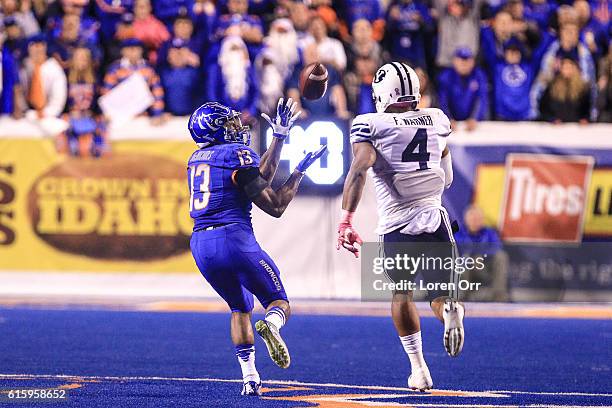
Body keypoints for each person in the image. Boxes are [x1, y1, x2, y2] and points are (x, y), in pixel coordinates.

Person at [336, 62, 465, 391]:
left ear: (382, 92)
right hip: (436, 219)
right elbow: (447, 178)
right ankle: (449, 310)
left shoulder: (370, 124)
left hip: (398, 223)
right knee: (439, 295)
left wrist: (346, 219)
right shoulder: (436, 119)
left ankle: (419, 368)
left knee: (401, 294)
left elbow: (360, 168)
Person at [187, 98, 326, 396]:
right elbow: (275, 206)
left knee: (239, 307)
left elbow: (256, 177)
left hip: (201, 245)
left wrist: (278, 139)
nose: (236, 127)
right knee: (279, 303)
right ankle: (272, 326)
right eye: (228, 123)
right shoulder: (235, 155)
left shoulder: (197, 159)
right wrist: (299, 172)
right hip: (233, 240)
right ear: (215, 130)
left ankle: (250, 378)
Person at [102, 38, 165, 124]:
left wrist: (157, 114)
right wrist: (108, 113)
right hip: (120, 115)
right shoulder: (115, 69)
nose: (132, 51)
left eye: (136, 48)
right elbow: (106, 92)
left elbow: (157, 92)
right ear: (122, 51)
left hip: (143, 116)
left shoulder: (149, 69)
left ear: (141, 50)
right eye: (128, 48)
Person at [454, 205, 509, 301]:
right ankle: (462, 295)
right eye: (472, 218)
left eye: (477, 218)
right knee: (465, 258)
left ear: (482, 220)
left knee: (501, 256)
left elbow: (496, 248)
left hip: (485, 266)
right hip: (466, 270)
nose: (475, 221)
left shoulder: (490, 233)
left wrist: (477, 252)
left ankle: (499, 294)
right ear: (466, 219)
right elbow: (457, 251)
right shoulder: (458, 233)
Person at [207, 35, 258, 121]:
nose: (235, 53)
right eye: (232, 49)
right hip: (222, 116)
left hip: (244, 117)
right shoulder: (216, 69)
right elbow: (212, 92)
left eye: (238, 49)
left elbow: (255, 90)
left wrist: (249, 111)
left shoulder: (248, 69)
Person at [437, 47, 489, 130]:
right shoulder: (445, 76)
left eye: (468, 60)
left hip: (472, 123)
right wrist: (447, 119)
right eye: (461, 60)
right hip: (453, 122)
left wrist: (475, 118)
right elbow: (442, 100)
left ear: (473, 62)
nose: (464, 64)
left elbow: (482, 98)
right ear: (454, 61)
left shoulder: (479, 75)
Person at [20, 34, 67, 119]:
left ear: (45, 48)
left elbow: (58, 101)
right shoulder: (24, 67)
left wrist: (43, 114)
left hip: (49, 115)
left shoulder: (54, 69)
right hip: (25, 115)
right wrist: (25, 113)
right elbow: (18, 93)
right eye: (34, 46)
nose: (37, 49)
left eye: (40, 46)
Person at [492, 38, 535, 120]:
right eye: (510, 52)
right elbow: (488, 44)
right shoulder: (498, 67)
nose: (513, 55)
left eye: (516, 52)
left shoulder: (528, 68)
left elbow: (540, 52)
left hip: (524, 115)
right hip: (503, 115)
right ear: (505, 54)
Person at [540, 57, 592, 123]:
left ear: (574, 68)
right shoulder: (553, 86)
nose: (567, 70)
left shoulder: (583, 88)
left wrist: (585, 119)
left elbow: (587, 109)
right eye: (564, 68)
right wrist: (551, 119)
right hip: (556, 127)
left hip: (576, 127)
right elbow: (543, 108)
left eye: (569, 67)